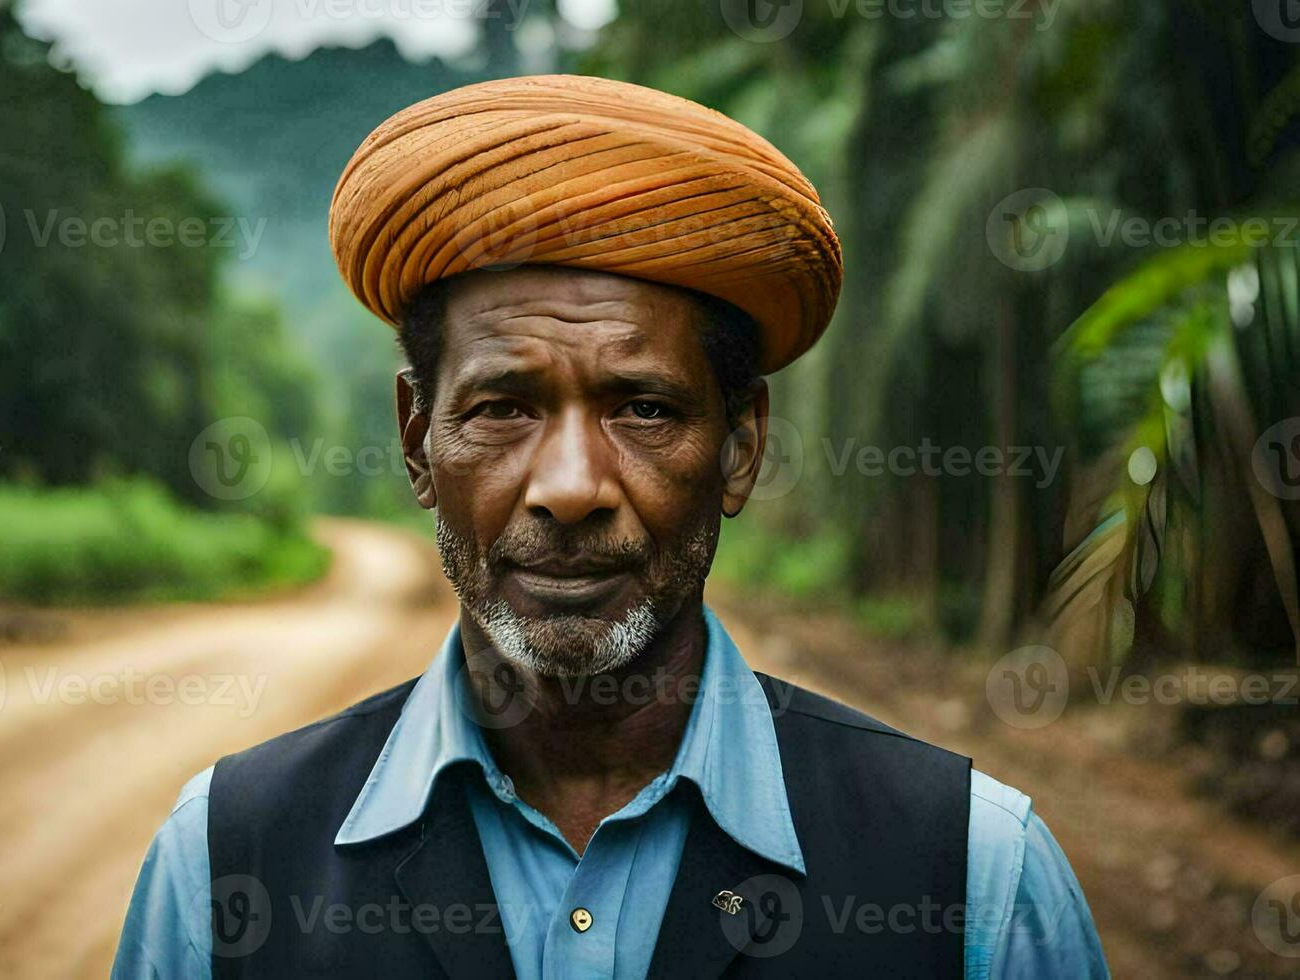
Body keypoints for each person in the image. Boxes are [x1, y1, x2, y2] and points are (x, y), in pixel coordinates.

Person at [113, 74, 1107, 979]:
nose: (572, 486)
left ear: (741, 447)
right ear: (418, 441)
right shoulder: (221, 863)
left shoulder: (974, 880)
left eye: (643, 407)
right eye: (504, 405)